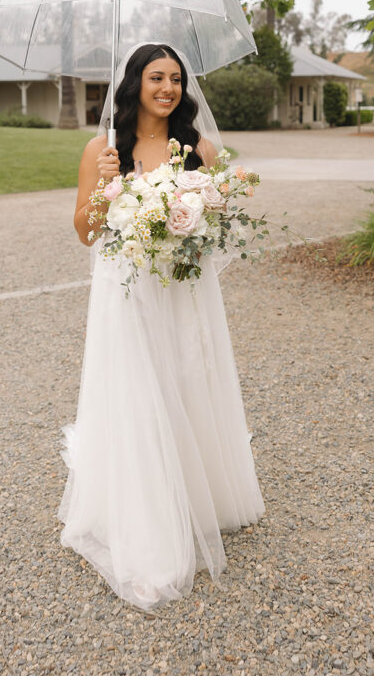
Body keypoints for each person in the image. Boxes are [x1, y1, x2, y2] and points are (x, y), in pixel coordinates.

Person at [58, 43, 265, 610]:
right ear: (134, 84)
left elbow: (225, 215)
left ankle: (199, 493)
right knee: (139, 392)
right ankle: (148, 519)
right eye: (156, 78)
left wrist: (203, 213)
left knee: (187, 380)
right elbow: (84, 230)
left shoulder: (199, 147)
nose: (167, 88)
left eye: (175, 79)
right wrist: (105, 187)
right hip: (126, 289)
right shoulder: (102, 149)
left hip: (184, 290)